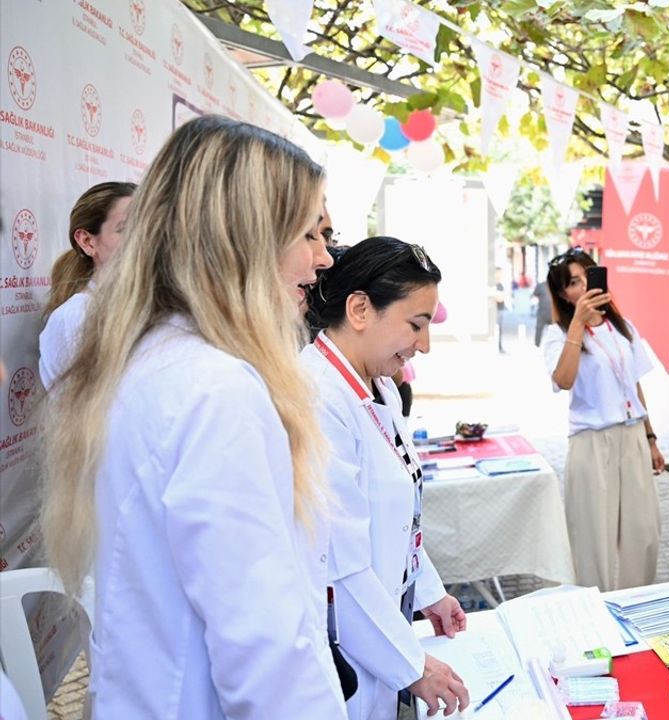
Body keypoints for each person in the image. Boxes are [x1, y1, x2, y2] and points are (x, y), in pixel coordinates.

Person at [38, 115, 343, 717]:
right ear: (248, 239)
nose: (323, 259)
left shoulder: (151, 362)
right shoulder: (215, 390)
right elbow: (264, 650)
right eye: (308, 235)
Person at [303, 237, 470, 718]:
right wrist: (412, 665)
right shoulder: (317, 398)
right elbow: (341, 563)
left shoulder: (379, 390)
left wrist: (429, 592)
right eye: (415, 325)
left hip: (380, 627)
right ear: (360, 309)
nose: (424, 344)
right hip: (345, 645)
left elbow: (398, 516)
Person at [543, 247, 665, 591]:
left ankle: (635, 606)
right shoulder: (557, 334)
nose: (582, 287)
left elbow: (634, 385)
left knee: (643, 533)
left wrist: (651, 438)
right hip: (591, 442)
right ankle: (594, 616)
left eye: (587, 277)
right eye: (573, 283)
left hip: (633, 438)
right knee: (592, 537)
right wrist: (577, 326)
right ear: (563, 294)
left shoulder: (622, 328)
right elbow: (563, 380)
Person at [38, 181, 136, 387]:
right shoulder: (75, 318)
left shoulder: (149, 309)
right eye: (126, 229)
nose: (142, 240)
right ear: (87, 242)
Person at [534, 279, 553, 346]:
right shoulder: (541, 286)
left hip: (553, 313)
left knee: (555, 330)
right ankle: (537, 345)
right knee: (539, 328)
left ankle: (552, 344)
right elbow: (535, 295)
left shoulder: (555, 286)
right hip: (542, 312)